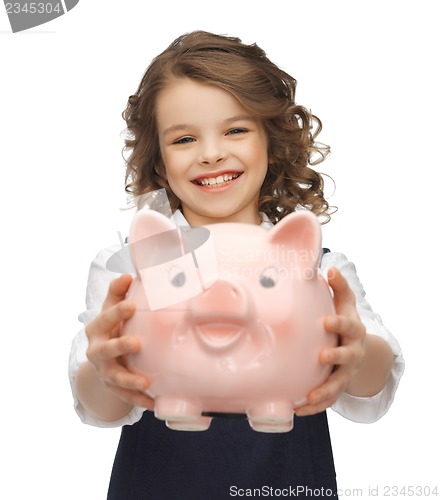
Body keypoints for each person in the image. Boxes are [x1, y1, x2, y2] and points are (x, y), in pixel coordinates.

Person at [69, 31, 404, 499]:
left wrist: (355, 353)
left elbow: (372, 383)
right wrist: (105, 367)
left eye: (235, 130)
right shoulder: (134, 265)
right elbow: (97, 404)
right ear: (160, 162)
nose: (211, 152)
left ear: (272, 141)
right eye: (184, 138)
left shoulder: (316, 268)